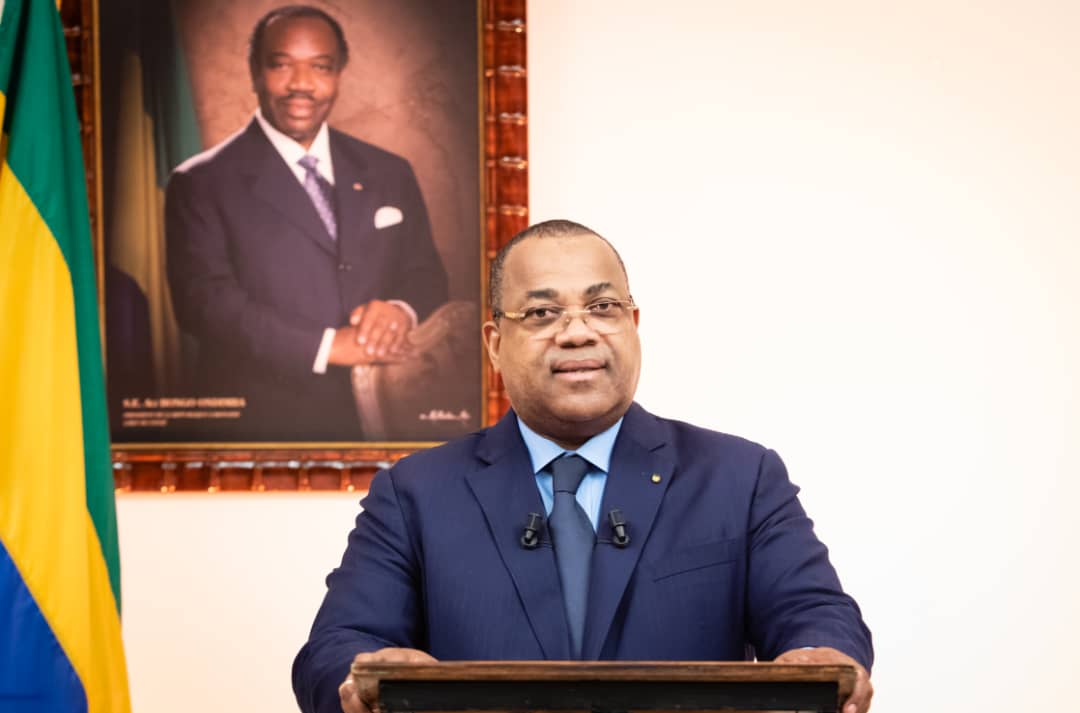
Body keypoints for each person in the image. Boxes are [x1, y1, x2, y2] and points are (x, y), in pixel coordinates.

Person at [292, 220, 874, 713]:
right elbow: (337, 645)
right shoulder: (414, 492)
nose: (577, 332)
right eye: (542, 312)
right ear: (494, 344)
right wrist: (366, 673)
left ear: (633, 325)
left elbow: (815, 612)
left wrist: (821, 656)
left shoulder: (740, 477)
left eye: (602, 307)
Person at [165, 5, 448, 441]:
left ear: (338, 74)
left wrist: (400, 310)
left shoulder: (389, 171)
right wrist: (329, 346)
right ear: (255, 72)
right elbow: (203, 305)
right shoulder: (199, 182)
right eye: (281, 65)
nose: (301, 84)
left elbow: (426, 274)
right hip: (261, 428)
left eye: (320, 66)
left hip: (387, 422)